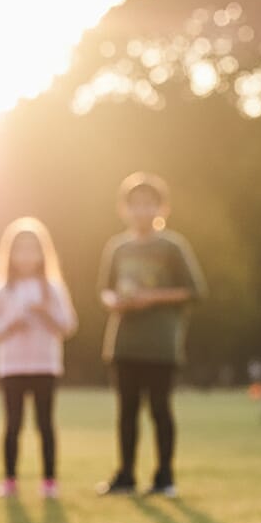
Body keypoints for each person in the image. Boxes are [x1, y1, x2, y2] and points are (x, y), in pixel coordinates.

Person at [97, 173, 206, 497]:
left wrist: (151, 297)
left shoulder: (172, 246)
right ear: (124, 209)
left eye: (149, 205)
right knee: (126, 412)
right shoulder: (117, 247)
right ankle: (126, 475)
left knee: (160, 409)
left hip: (161, 344)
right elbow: (103, 290)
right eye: (136, 205)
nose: (142, 211)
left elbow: (195, 291)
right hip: (124, 342)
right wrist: (115, 301)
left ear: (163, 209)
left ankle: (164, 477)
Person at [0, 218, 78, 498]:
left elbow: (69, 324)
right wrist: (11, 323)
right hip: (11, 366)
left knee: (45, 424)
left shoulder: (53, 288)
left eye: (32, 250)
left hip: (45, 365)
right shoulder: (0, 288)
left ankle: (49, 481)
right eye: (20, 250)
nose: (26, 256)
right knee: (13, 424)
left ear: (43, 253)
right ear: (9, 254)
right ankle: (10, 479)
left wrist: (45, 313)